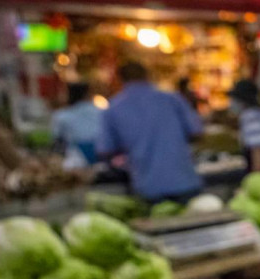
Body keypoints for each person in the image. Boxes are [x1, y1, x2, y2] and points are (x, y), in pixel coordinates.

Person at [99, 61, 202, 202]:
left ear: (119, 80)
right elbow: (196, 132)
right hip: (184, 181)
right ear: (147, 76)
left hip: (147, 187)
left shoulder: (113, 109)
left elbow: (105, 150)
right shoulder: (171, 99)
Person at [50, 81, 102, 169]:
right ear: (87, 95)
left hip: (77, 158)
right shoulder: (100, 112)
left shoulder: (61, 115)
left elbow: (56, 138)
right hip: (100, 154)